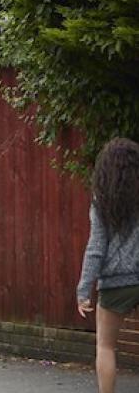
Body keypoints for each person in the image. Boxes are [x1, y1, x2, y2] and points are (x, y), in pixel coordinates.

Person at [77, 138, 139, 393]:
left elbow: (96, 248)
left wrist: (83, 289)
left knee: (105, 346)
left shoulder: (101, 201)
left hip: (115, 284)